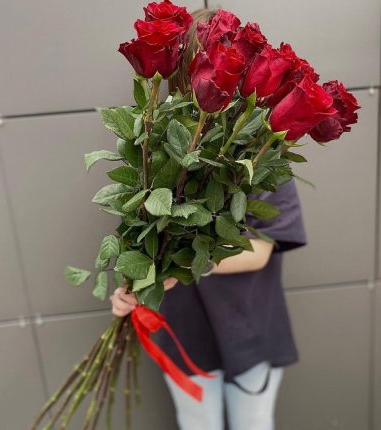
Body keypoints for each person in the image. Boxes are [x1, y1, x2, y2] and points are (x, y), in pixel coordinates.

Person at [110, 8, 307, 430]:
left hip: (247, 324)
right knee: (197, 422)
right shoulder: (158, 142)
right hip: (184, 329)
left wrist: (174, 269)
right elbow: (140, 236)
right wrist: (133, 284)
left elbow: (260, 251)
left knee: (253, 422)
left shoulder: (263, 153)